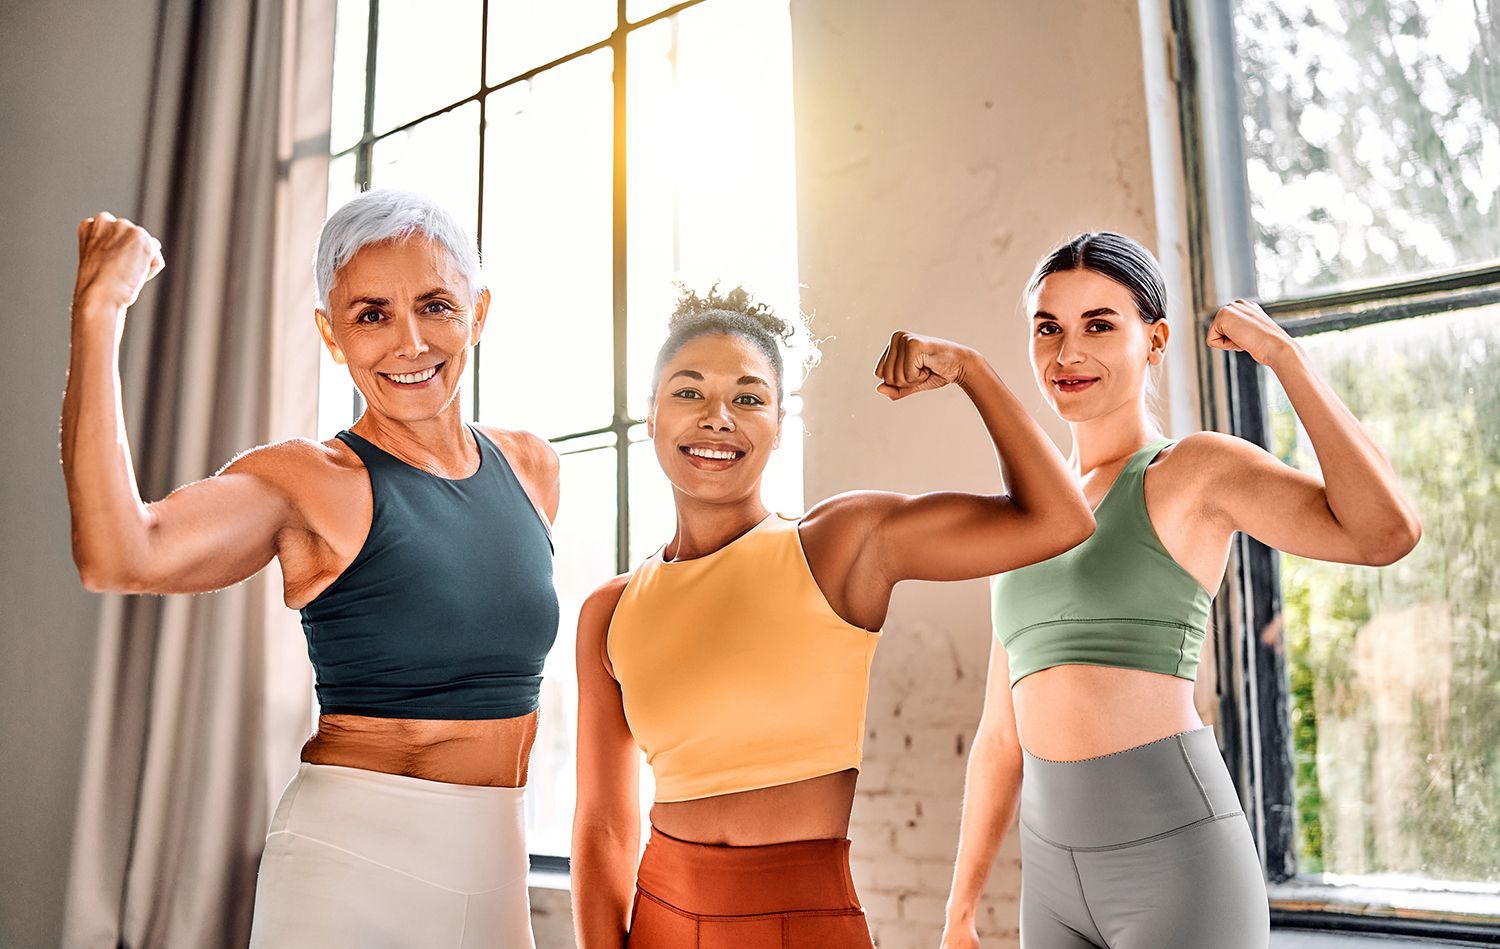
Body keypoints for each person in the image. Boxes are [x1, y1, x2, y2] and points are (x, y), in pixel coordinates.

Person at [61, 189, 561, 947]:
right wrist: (100, 316)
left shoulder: (531, 467)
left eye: (435, 306)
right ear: (331, 334)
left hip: (497, 871)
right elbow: (119, 552)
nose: (410, 342)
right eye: (371, 315)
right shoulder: (309, 480)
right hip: (353, 867)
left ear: (478, 314)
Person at [570, 286, 1098, 948]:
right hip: (660, 924)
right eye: (688, 391)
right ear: (651, 415)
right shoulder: (609, 612)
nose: (717, 417)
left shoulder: (838, 546)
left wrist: (969, 368)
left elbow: (1061, 519)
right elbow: (603, 827)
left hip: (807, 922)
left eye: (748, 396)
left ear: (779, 426)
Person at [939, 232, 1422, 949]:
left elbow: (1386, 532)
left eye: (1100, 324)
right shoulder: (1026, 515)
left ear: (1155, 339)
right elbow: (1000, 736)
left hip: (1177, 866)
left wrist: (1285, 360)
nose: (1068, 353)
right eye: (1049, 328)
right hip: (1051, 881)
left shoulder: (1194, 471)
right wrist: (960, 910)